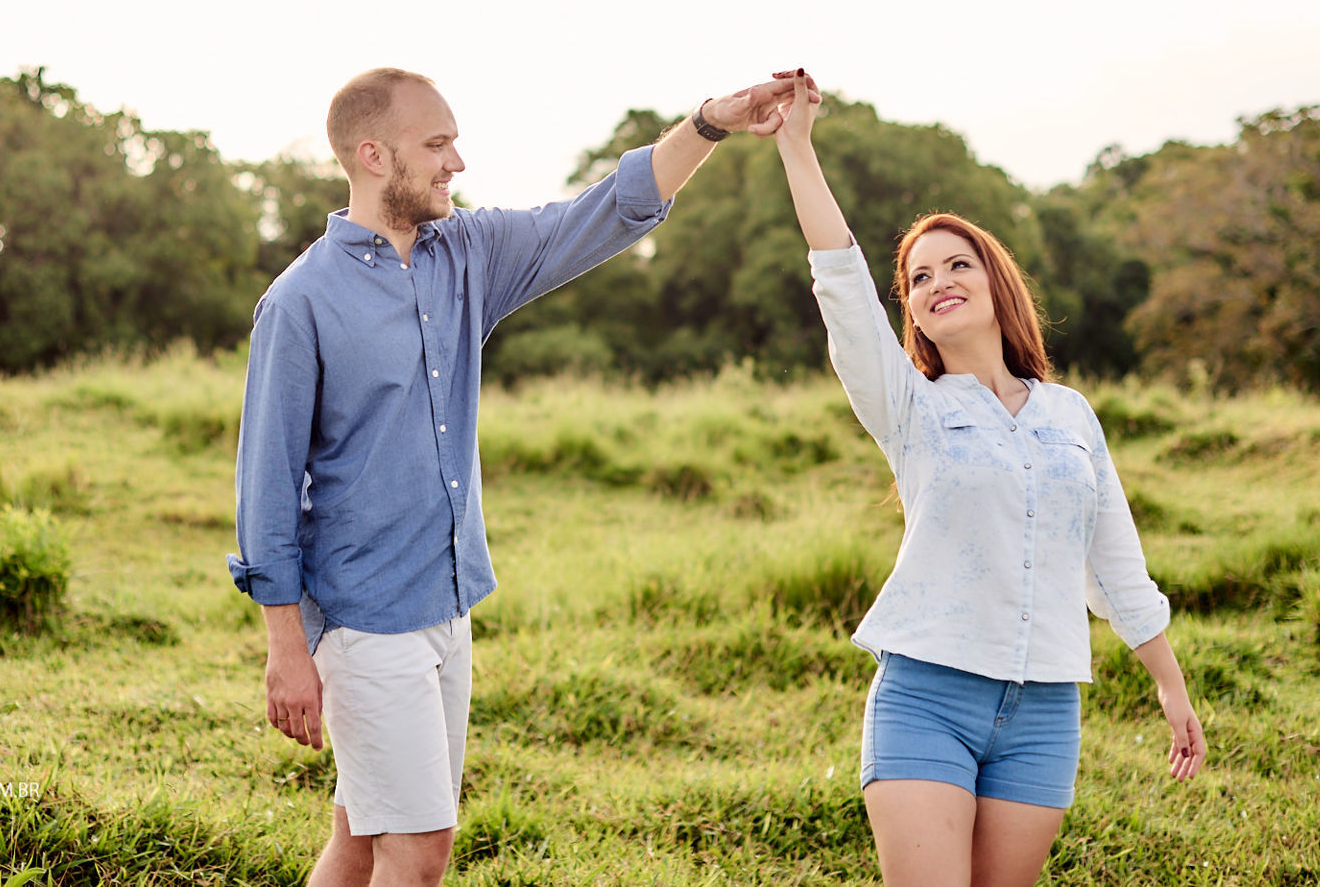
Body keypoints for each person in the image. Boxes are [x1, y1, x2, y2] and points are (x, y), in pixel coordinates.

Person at [228, 66, 808, 887]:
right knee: (418, 852)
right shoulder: (300, 302)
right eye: (437, 145)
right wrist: (285, 648)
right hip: (363, 619)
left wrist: (709, 123)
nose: (456, 162)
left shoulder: (469, 254)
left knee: (361, 838)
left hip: (448, 602)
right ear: (372, 155)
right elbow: (267, 489)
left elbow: (605, 211)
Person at [769, 69, 1205, 887]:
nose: (939, 282)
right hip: (926, 697)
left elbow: (1115, 562)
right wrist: (798, 145)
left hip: (1046, 711)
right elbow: (843, 287)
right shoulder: (910, 407)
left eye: (957, 264)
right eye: (919, 278)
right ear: (911, 311)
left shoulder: (1071, 414)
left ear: (995, 281)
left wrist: (1170, 689)